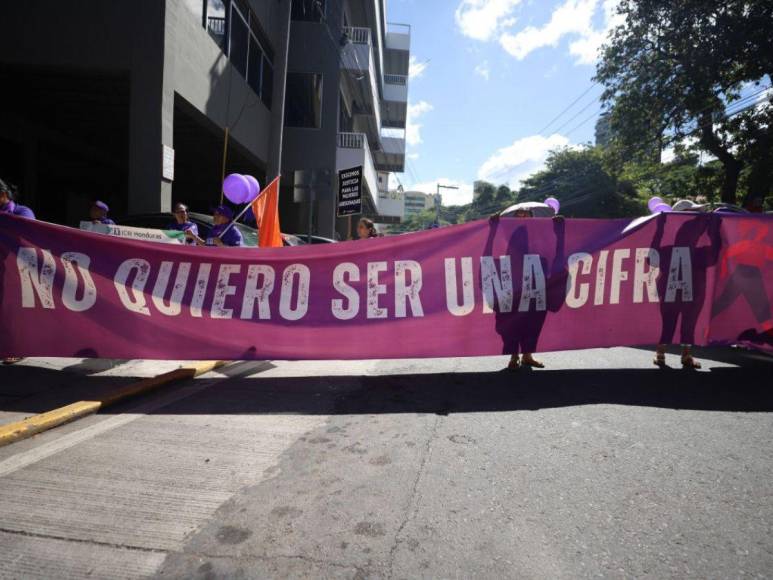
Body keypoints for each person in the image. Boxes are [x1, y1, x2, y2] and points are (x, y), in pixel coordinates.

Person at [1, 178, 35, 364]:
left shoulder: (22, 212)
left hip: (16, 270)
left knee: (14, 310)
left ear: (3, 195)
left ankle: (15, 348)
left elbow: (29, 234)